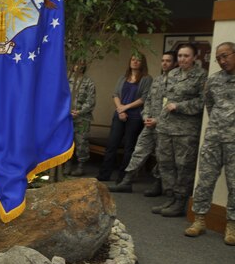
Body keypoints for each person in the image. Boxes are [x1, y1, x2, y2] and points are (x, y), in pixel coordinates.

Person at [184, 42, 235, 245]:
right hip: (214, 140)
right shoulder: (213, 81)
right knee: (205, 180)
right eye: (219, 58)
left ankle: (231, 225)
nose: (222, 61)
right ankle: (200, 220)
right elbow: (210, 106)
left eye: (225, 56)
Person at [152, 43, 207, 217]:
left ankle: (180, 201)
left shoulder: (201, 76)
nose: (182, 59)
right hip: (166, 127)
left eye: (186, 56)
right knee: (165, 163)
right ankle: (169, 198)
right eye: (180, 56)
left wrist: (180, 106)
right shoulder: (172, 73)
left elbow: (202, 102)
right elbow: (164, 98)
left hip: (186, 130)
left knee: (183, 166)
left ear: (194, 57)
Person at [110, 51, 177, 194]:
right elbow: (148, 101)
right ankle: (126, 182)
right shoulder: (158, 80)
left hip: (165, 125)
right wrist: (146, 116)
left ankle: (158, 185)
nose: (164, 63)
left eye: (168, 61)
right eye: (163, 60)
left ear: (174, 63)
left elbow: (173, 105)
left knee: (162, 157)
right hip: (149, 123)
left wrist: (157, 120)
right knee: (138, 152)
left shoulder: (178, 82)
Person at [97, 53, 152, 182]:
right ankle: (104, 175)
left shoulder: (146, 79)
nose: (135, 62)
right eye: (133, 59)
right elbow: (115, 94)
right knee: (112, 145)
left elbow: (144, 98)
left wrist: (125, 108)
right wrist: (120, 109)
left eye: (138, 60)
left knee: (129, 147)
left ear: (142, 63)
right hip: (119, 115)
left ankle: (123, 178)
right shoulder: (123, 77)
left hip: (135, 117)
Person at [66, 61, 96, 177]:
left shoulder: (89, 82)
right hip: (67, 118)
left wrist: (79, 112)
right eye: (77, 63)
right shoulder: (66, 80)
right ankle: (67, 165)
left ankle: (80, 166)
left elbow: (90, 101)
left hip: (82, 119)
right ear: (73, 66)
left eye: (82, 64)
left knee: (81, 143)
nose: (79, 66)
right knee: (67, 142)